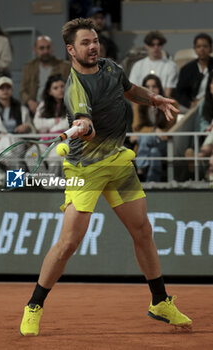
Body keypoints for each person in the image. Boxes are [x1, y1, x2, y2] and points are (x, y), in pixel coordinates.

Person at [19, 18, 192, 336]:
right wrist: (83, 126)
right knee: (69, 242)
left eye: (95, 40)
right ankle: (34, 305)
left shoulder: (111, 67)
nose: (93, 46)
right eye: (85, 43)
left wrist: (153, 99)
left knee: (143, 230)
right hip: (85, 170)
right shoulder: (75, 87)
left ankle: (159, 302)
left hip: (118, 163)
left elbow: (128, 89)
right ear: (71, 50)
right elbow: (84, 119)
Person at [131, 74, 177, 182]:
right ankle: (151, 182)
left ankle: (141, 167)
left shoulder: (169, 103)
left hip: (164, 143)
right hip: (147, 144)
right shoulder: (138, 104)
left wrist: (150, 132)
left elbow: (169, 131)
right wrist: (154, 130)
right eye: (147, 87)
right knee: (154, 152)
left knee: (147, 138)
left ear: (160, 88)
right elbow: (136, 128)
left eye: (154, 86)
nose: (151, 90)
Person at [0, 76, 34, 161]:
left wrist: (26, 127)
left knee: (10, 145)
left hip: (18, 143)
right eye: (2, 88)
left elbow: (30, 129)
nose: (5, 91)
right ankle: (14, 172)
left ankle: (10, 172)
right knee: (6, 147)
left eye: (8, 88)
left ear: (12, 90)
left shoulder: (21, 109)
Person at [20, 35, 71, 116]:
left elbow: (70, 89)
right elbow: (23, 91)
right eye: (42, 48)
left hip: (58, 110)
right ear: (35, 49)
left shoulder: (65, 66)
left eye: (48, 47)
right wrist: (29, 102)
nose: (45, 51)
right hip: (34, 109)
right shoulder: (28, 67)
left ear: (52, 48)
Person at [32, 74, 69, 175]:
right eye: (55, 88)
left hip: (63, 140)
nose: (60, 90)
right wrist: (55, 121)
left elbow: (68, 123)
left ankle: (56, 184)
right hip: (46, 140)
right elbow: (38, 124)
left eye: (62, 86)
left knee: (55, 157)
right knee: (31, 155)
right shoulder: (44, 104)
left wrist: (48, 126)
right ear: (50, 92)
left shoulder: (71, 102)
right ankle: (47, 183)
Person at [129, 31, 178, 98]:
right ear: (146, 46)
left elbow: (168, 94)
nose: (156, 47)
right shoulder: (138, 65)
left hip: (162, 102)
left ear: (162, 45)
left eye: (159, 44)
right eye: (152, 45)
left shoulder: (171, 66)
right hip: (141, 103)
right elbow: (132, 90)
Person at [175, 33, 213, 112]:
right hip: (191, 104)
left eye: (205, 46)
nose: (202, 49)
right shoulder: (187, 69)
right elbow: (180, 92)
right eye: (198, 47)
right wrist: (190, 103)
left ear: (210, 48)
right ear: (195, 49)